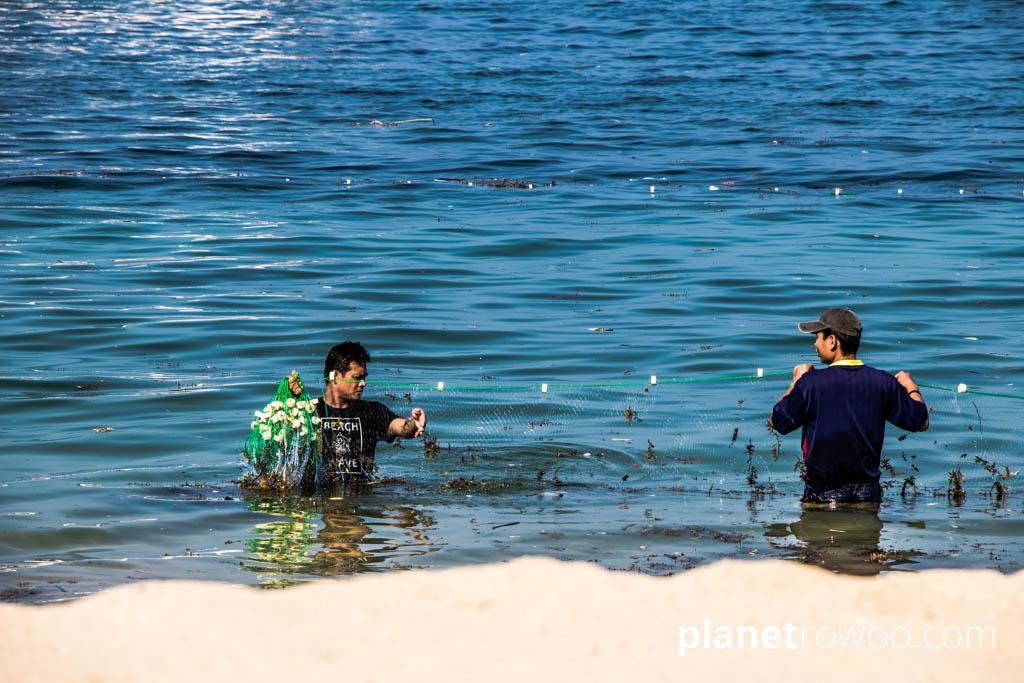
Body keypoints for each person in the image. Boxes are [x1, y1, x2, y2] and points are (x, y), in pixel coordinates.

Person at [769, 308, 929, 507]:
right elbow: (921, 421)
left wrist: (796, 381)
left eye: (818, 337)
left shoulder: (810, 384)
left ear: (833, 341)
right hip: (867, 497)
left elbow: (779, 421)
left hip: (821, 496)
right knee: (863, 539)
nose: (815, 344)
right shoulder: (883, 383)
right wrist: (911, 388)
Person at [288, 341, 427, 483]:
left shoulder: (371, 411)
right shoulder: (308, 411)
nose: (363, 383)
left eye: (364, 377)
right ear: (335, 376)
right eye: (357, 378)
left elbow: (400, 427)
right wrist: (293, 400)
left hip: (361, 497)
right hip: (318, 497)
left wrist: (414, 423)